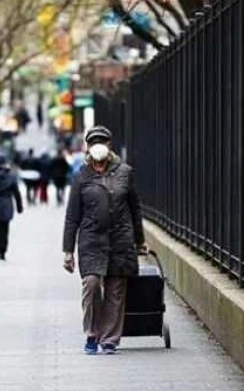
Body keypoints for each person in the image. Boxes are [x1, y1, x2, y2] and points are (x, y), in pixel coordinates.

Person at [62, 125, 146, 355]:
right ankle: (92, 333)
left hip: (120, 239)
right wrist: (68, 251)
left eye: (103, 140)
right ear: (88, 147)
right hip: (91, 240)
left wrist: (139, 241)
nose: (98, 145)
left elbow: (135, 209)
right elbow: (72, 216)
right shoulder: (81, 176)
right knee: (91, 285)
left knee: (115, 290)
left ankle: (109, 339)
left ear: (109, 145)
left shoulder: (125, 172)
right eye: (94, 141)